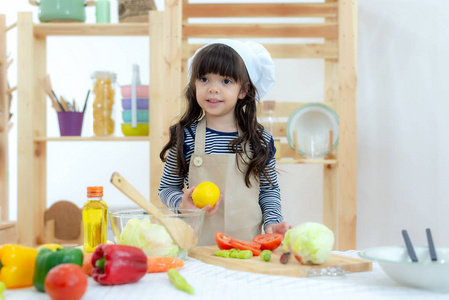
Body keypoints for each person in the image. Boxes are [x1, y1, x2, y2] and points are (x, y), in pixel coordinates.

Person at [158, 39, 290, 246]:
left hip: (248, 248)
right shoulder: (186, 137)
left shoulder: (260, 140)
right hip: (197, 248)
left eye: (226, 81)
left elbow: (268, 190)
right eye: (204, 79)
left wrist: (272, 223)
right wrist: (182, 205)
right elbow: (167, 188)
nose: (213, 89)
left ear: (243, 90)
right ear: (194, 84)